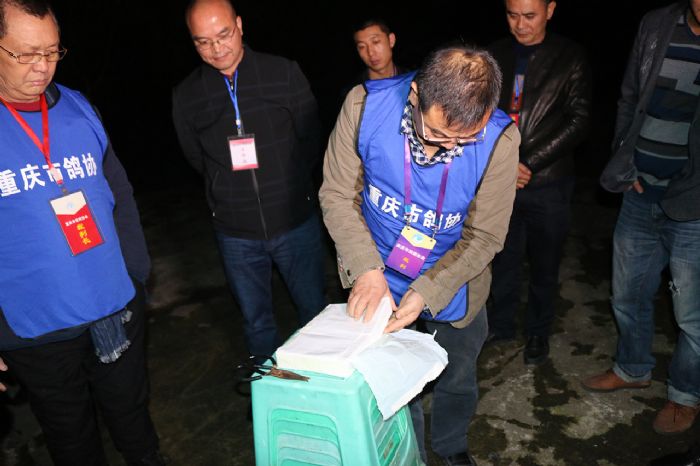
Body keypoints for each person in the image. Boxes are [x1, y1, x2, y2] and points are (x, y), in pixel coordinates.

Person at [319, 43, 520, 466]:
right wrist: (366, 269)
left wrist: (428, 291)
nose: (446, 148)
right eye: (438, 134)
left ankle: (451, 444)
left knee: (459, 372)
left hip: (456, 276)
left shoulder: (500, 139)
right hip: (378, 272)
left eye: (465, 138)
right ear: (415, 95)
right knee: (392, 379)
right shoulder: (364, 106)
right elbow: (336, 194)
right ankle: (409, 452)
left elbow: (485, 235)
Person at [0, 0, 164, 464]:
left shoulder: (76, 106)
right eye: (26, 53)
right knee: (72, 440)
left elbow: (119, 191)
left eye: (52, 52)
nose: (42, 66)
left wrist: (136, 273)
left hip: (114, 304)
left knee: (134, 422)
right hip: (36, 329)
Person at [171, 0, 327, 360]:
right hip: (235, 232)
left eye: (223, 35)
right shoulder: (187, 95)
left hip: (293, 221)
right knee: (257, 323)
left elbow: (310, 138)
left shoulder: (282, 72)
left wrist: (290, 188)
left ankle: (324, 383)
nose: (216, 48)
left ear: (240, 25)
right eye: (203, 42)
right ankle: (267, 385)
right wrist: (227, 193)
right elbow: (196, 157)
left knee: (315, 314)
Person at [581, 0, 700, 436]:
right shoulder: (658, 23)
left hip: (695, 206)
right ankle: (632, 368)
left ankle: (685, 394)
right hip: (640, 190)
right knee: (627, 295)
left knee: (692, 314)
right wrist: (624, 161)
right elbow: (630, 97)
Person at [486, 0, 592, 365]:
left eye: (529, 16)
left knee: (545, 263)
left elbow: (579, 120)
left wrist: (529, 162)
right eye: (512, 15)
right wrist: (500, 162)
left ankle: (538, 332)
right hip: (500, 180)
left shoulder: (570, 56)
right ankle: (500, 325)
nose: (520, 24)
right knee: (502, 258)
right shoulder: (494, 54)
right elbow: (478, 112)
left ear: (550, 10)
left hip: (549, 181)